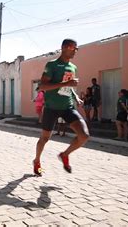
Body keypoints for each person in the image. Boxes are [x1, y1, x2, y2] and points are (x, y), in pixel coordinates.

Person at [33, 38, 89, 176]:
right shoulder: (52, 65)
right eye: (73, 47)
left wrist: (75, 96)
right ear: (64, 47)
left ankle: (65, 154)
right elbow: (42, 86)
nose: (76, 50)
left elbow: (69, 86)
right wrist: (65, 84)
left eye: (77, 48)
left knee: (84, 135)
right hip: (51, 107)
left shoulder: (73, 67)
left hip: (67, 106)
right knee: (45, 138)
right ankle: (37, 160)